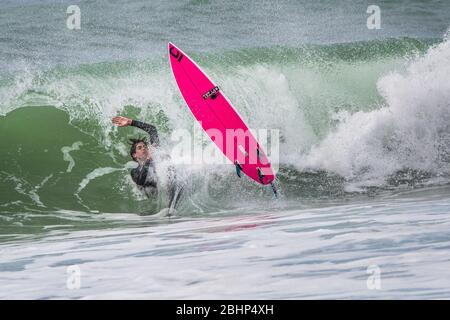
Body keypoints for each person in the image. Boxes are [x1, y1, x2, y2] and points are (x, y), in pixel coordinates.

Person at [112, 115, 182, 212]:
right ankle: (169, 209)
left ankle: (172, 207)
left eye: (145, 146)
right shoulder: (135, 171)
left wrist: (130, 122)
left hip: (168, 195)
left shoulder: (155, 158)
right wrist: (148, 160)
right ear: (134, 155)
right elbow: (140, 181)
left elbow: (152, 130)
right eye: (139, 148)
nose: (144, 148)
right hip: (152, 204)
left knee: (168, 165)